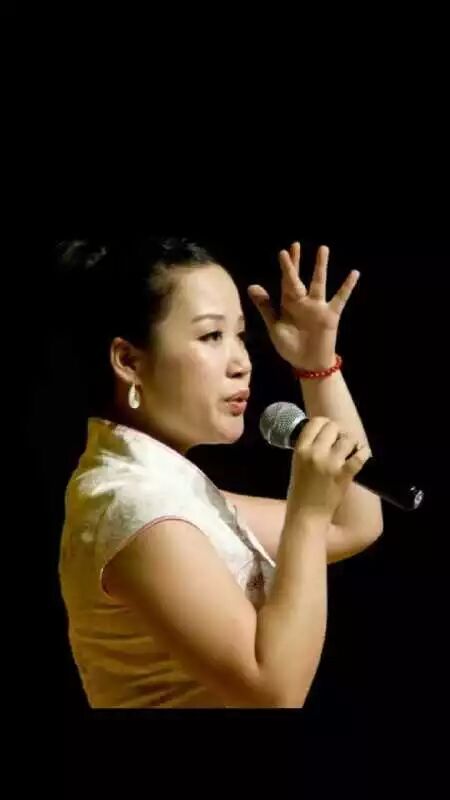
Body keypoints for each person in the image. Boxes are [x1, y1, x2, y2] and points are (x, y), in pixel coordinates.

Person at [58, 236, 381, 709]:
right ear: (128, 361)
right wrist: (307, 512)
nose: (242, 363)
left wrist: (318, 368)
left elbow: (354, 521)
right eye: (211, 336)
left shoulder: (161, 486)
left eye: (240, 336)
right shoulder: (134, 506)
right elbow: (274, 691)